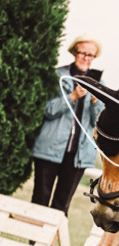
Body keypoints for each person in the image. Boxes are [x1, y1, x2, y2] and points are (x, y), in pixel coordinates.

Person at [31, 35, 104, 218]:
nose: (86, 58)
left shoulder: (100, 84)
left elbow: (98, 122)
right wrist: (72, 97)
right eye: (83, 53)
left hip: (78, 156)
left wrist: (96, 101)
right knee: (40, 199)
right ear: (74, 52)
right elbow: (47, 110)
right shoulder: (57, 76)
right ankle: (34, 244)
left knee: (62, 205)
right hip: (49, 150)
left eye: (91, 55)